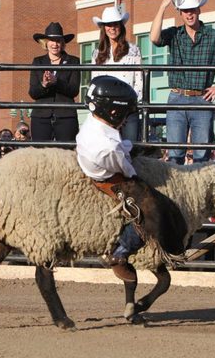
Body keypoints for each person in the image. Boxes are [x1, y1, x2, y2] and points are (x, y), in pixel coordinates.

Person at [76, 75, 186, 283]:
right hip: (109, 177)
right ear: (113, 111)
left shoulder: (94, 123)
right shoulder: (108, 147)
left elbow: (119, 148)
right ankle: (120, 252)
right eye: (125, 114)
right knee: (151, 208)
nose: (126, 119)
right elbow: (127, 171)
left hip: (99, 157)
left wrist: (131, 148)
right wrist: (135, 170)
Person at [150, 0, 215, 164]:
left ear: (199, 10)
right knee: (175, 154)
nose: (189, 14)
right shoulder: (174, 34)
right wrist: (162, 6)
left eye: (192, 10)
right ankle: (175, 191)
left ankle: (200, 191)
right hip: (177, 96)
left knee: (202, 155)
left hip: (202, 98)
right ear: (180, 13)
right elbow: (154, 38)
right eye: (185, 10)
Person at [91, 6, 143, 141]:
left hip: (127, 110)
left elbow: (139, 81)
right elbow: (95, 83)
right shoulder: (97, 54)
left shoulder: (133, 50)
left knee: (130, 151)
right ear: (104, 28)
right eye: (109, 25)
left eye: (116, 24)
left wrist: (129, 106)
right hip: (105, 112)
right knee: (106, 151)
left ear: (121, 26)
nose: (112, 28)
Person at [29, 22, 80, 143]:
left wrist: (57, 81)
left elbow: (74, 90)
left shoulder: (73, 61)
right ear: (46, 42)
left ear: (63, 43)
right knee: (40, 154)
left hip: (66, 116)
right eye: (51, 40)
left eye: (58, 40)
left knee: (67, 154)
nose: (55, 44)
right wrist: (44, 84)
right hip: (41, 116)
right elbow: (32, 92)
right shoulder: (38, 62)